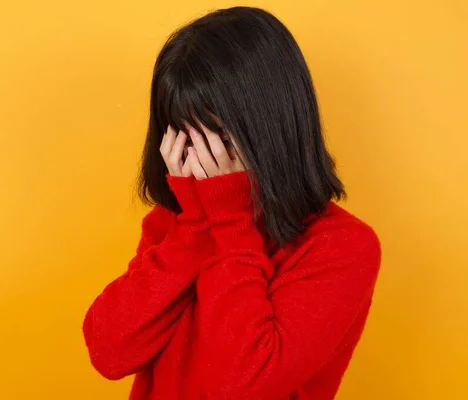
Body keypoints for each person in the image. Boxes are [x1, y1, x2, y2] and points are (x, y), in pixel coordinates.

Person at [82, 6, 381, 400]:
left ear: (272, 125)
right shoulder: (175, 224)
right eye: (186, 138)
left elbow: (241, 385)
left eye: (219, 139)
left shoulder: (342, 247)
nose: (202, 162)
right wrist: (193, 227)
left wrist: (230, 221)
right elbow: (109, 352)